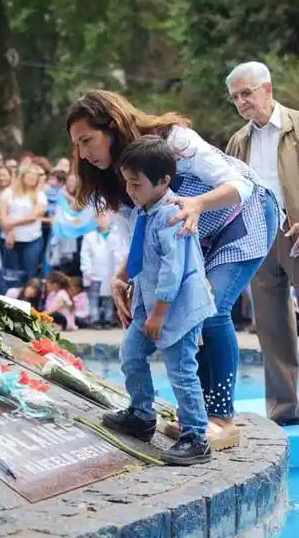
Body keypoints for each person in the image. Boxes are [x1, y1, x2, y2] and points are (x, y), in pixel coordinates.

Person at [67, 90, 279, 450]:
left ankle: (221, 416)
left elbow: (239, 185)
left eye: (88, 140)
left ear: (113, 127)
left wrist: (197, 203)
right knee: (186, 315)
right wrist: (122, 278)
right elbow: (136, 237)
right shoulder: (114, 178)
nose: (84, 153)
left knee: (211, 310)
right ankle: (172, 412)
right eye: (77, 145)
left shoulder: (173, 140)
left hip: (242, 217)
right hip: (189, 234)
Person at [224, 61, 299, 433]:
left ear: (268, 90)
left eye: (247, 93)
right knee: (271, 326)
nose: (243, 102)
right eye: (235, 97)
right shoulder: (237, 141)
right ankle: (283, 407)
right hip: (260, 240)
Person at [101, 137, 216, 465]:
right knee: (131, 353)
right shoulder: (145, 210)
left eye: (135, 183)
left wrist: (159, 314)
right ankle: (141, 413)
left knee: (181, 370)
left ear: (163, 181)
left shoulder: (171, 216)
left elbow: (172, 272)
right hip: (150, 307)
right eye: (127, 181)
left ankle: (196, 436)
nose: (130, 189)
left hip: (175, 310)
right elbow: (142, 257)